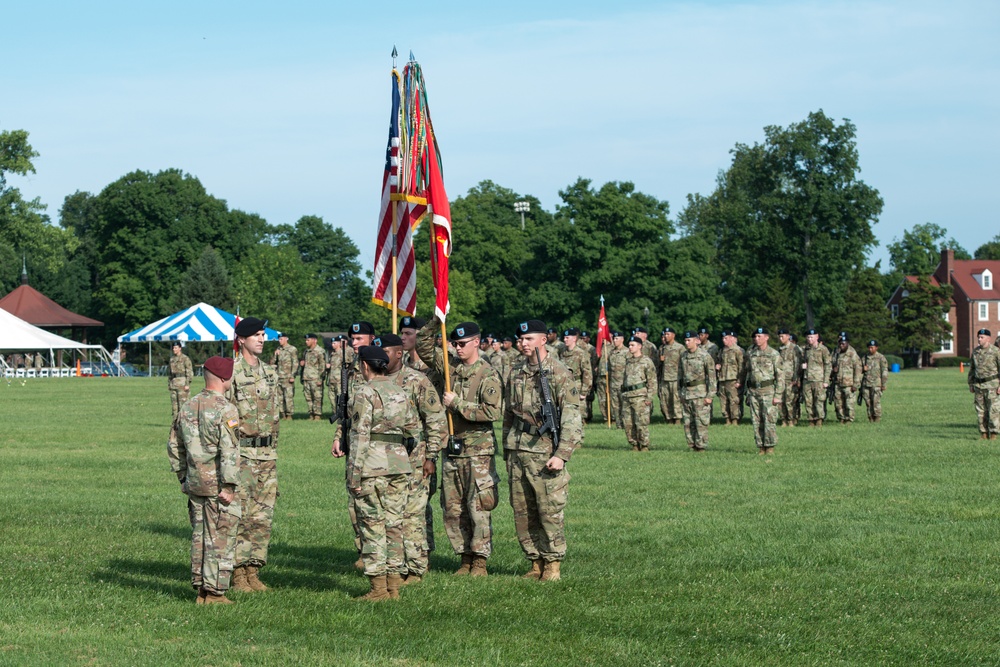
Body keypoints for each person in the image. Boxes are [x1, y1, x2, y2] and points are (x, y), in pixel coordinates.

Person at [416, 318, 503, 577]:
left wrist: (457, 404)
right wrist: (436, 319)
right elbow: (422, 345)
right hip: (452, 447)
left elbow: (492, 411)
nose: (458, 348)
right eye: (454, 343)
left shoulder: (487, 373)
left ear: (477, 342)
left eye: (463, 343)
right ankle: (463, 557)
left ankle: (479, 560)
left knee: (478, 505)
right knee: (453, 507)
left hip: (478, 450)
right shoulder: (449, 366)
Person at [504, 319, 583, 581]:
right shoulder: (516, 370)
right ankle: (535, 561)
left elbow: (572, 417)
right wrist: (507, 445)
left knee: (548, 508)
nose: (522, 344)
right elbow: (509, 413)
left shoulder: (559, 372)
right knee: (522, 509)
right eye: (520, 339)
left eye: (528, 339)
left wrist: (562, 455)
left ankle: (552, 563)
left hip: (545, 450)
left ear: (543, 340)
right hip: (518, 448)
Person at [343, 345, 419, 601]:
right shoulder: (399, 390)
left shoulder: (364, 392)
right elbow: (413, 431)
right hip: (398, 466)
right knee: (394, 525)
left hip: (371, 467)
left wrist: (353, 476)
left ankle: (378, 589)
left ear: (365, 365)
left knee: (373, 526)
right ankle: (394, 587)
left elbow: (360, 436)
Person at [167, 356, 240, 604]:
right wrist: (230, 486)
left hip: (195, 482)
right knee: (219, 537)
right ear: (223, 378)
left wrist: (183, 477)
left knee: (199, 536)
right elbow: (229, 450)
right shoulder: (225, 408)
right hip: (217, 485)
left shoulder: (187, 406)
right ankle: (215, 592)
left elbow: (174, 446)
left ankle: (200, 588)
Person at [375, 334, 447, 585]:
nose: (381, 355)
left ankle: (416, 568)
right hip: (384, 460)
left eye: (386, 351)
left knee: (413, 514)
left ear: (398, 353)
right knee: (389, 515)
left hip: (415, 459)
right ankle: (394, 564)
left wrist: (432, 456)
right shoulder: (377, 380)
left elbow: (436, 420)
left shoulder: (417, 381)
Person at [226, 317, 280, 593]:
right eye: (256, 335)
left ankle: (253, 571)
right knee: (241, 514)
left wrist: (273, 449)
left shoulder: (271, 372)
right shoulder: (231, 372)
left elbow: (276, 414)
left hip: (267, 454)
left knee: (262, 515)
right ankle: (237, 574)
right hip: (242, 453)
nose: (262, 339)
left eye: (263, 334)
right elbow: (224, 416)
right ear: (242, 340)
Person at [331, 321, 377, 566]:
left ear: (372, 338)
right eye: (353, 339)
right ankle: (362, 549)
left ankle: (377, 550)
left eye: (360, 338)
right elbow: (346, 408)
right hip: (353, 440)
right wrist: (340, 435)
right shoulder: (350, 369)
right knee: (353, 499)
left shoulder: (381, 365)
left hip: (378, 443)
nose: (356, 343)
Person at [741, 327, 784, 455]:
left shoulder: (773, 354)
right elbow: (747, 372)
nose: (756, 339)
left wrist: (778, 395)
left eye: (759, 336)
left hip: (768, 390)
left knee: (769, 419)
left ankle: (770, 446)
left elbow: (780, 376)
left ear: (767, 337)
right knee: (756, 420)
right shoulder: (751, 353)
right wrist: (747, 391)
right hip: (754, 390)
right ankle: (760, 446)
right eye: (755, 337)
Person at [679, 331, 716, 451]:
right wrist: (680, 392)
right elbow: (680, 376)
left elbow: (712, 377)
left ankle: (701, 446)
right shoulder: (683, 356)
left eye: (689, 340)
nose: (687, 342)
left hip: (700, 393)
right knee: (688, 422)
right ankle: (691, 445)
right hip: (686, 393)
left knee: (700, 422)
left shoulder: (704, 356)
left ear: (697, 341)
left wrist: (710, 395)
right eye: (685, 340)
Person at [620, 335, 657, 451]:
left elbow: (652, 381)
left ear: (639, 346)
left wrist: (649, 397)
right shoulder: (628, 361)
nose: (630, 347)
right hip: (627, 396)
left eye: (632, 345)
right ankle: (634, 444)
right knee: (628, 423)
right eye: (629, 345)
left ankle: (644, 445)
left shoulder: (646, 361)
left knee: (641, 423)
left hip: (640, 396)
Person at [968, 328, 1000, 440]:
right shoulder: (976, 352)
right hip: (978, 386)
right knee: (980, 410)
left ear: (988, 338)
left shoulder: (996, 351)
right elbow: (972, 369)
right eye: (978, 337)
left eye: (982, 337)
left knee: (993, 410)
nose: (979, 339)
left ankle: (994, 434)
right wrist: (971, 383)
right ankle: (983, 434)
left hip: (992, 385)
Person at [558, 328, 593, 417]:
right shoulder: (562, 352)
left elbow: (587, 373)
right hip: (563, 385)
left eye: (567, 338)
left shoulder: (581, 353)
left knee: (577, 414)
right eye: (564, 338)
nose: (564, 340)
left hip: (576, 385)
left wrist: (583, 392)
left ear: (574, 339)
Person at [801, 328, 832, 427]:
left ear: (817, 337)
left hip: (819, 379)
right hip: (807, 379)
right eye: (808, 337)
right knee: (808, 401)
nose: (809, 339)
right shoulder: (806, 349)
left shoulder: (823, 349)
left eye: (811, 337)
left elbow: (828, 365)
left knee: (819, 400)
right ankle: (811, 419)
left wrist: (826, 380)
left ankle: (819, 420)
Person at [596, 331, 627, 426]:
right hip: (612, 382)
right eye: (614, 338)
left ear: (622, 339)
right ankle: (618, 424)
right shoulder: (612, 353)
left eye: (617, 338)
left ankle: (626, 423)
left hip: (623, 383)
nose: (614, 340)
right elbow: (608, 368)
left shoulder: (627, 352)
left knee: (624, 405)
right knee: (615, 405)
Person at [831, 333, 863, 424]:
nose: (841, 345)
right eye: (840, 343)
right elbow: (831, 363)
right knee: (838, 402)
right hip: (838, 381)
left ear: (847, 343)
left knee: (849, 403)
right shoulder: (836, 352)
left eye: (843, 343)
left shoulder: (852, 353)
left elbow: (858, 369)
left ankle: (849, 419)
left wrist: (856, 384)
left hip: (849, 383)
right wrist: (833, 369)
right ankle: (841, 418)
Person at [718, 330, 745, 425]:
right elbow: (720, 362)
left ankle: (735, 419)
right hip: (722, 379)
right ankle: (727, 418)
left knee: (734, 400)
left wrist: (740, 380)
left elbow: (742, 367)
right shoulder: (722, 351)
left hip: (733, 379)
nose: (724, 340)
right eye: (723, 338)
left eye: (726, 338)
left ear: (732, 339)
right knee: (723, 400)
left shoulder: (738, 350)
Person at [658, 328, 684, 425]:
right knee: (665, 400)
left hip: (675, 378)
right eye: (665, 334)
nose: (666, 336)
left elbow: (683, 363)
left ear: (673, 335)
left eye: (668, 334)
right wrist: (661, 361)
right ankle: (669, 419)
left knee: (675, 400)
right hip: (664, 378)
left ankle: (677, 419)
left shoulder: (680, 348)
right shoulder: (662, 348)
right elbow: (659, 365)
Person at [777, 329, 802, 426]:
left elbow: (798, 364)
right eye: (779, 336)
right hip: (781, 379)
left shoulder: (795, 348)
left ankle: (791, 420)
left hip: (791, 379)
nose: (780, 338)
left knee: (790, 401)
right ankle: (783, 419)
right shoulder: (780, 349)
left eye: (782, 336)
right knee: (781, 401)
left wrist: (796, 378)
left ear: (788, 336)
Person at [271, 332, 298, 420]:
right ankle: (282, 414)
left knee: (288, 396)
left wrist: (292, 375)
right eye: (279, 339)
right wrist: (275, 355)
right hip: (279, 377)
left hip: (288, 377)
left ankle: (289, 414)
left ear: (286, 339)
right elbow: (272, 363)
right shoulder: (278, 349)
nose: (280, 341)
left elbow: (295, 363)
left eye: (281, 339)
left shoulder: (292, 349)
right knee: (279, 397)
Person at [860, 340, 889, 422]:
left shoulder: (881, 357)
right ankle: (870, 418)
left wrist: (883, 384)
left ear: (876, 348)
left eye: (872, 347)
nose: (870, 349)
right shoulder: (865, 357)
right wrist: (863, 369)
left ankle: (877, 419)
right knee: (868, 403)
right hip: (866, 384)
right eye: (869, 347)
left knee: (876, 402)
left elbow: (884, 371)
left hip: (876, 384)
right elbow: (859, 369)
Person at [300, 333, 327, 420]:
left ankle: (317, 415)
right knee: (308, 397)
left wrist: (320, 378)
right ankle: (311, 414)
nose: (306, 342)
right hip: (306, 378)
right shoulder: (306, 351)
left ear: (314, 340)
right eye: (306, 340)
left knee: (317, 397)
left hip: (315, 378)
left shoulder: (320, 351)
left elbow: (322, 366)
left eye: (308, 340)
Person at [168, 342, 194, 418]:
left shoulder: (185, 359)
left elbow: (189, 371)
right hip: (174, 384)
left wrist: (187, 384)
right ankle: (175, 423)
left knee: (182, 405)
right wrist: (169, 384)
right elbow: (170, 373)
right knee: (174, 406)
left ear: (180, 348)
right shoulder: (172, 359)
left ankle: (183, 421)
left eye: (175, 348)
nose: (174, 349)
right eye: (173, 348)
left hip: (182, 384)